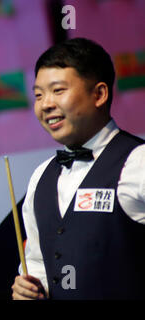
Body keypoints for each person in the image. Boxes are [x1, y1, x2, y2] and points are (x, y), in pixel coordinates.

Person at [11, 38, 145, 300]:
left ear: (99, 94)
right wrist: (31, 289)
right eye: (38, 95)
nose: (45, 104)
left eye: (58, 90)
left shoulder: (138, 162)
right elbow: (38, 262)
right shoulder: (41, 177)